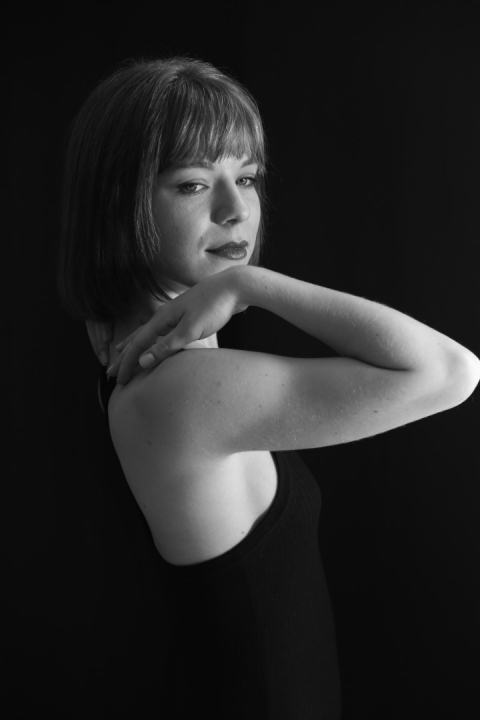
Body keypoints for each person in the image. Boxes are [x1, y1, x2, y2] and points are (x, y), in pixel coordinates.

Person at [57, 56, 480, 720]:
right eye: (194, 184)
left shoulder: (131, 347)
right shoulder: (184, 389)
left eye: (247, 177)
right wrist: (250, 283)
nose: (236, 211)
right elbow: (451, 372)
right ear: (119, 202)